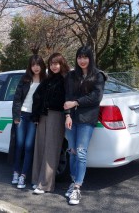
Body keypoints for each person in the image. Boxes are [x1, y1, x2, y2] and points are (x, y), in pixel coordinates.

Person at [63, 45, 107, 205]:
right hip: (71, 119)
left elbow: (96, 97)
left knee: (81, 152)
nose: (82, 60)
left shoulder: (98, 76)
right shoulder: (71, 76)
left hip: (87, 119)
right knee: (72, 151)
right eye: (79, 57)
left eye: (85, 57)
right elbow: (67, 96)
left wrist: (76, 102)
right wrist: (67, 115)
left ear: (90, 58)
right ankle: (73, 180)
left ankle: (77, 187)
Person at [31, 53, 70, 195]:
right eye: (52, 63)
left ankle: (45, 184)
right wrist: (36, 114)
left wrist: (68, 116)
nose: (54, 66)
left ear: (62, 63)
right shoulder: (48, 79)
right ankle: (36, 179)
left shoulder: (66, 79)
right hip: (43, 115)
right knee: (39, 147)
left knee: (50, 150)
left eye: (56, 63)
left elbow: (69, 98)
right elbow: (37, 95)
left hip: (57, 116)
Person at [9, 54, 47, 189]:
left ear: (42, 65)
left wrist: (37, 117)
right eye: (33, 65)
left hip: (33, 118)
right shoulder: (25, 79)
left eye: (38, 64)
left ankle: (23, 175)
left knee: (29, 146)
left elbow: (44, 102)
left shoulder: (45, 80)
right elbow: (17, 99)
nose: (36, 67)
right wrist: (16, 117)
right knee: (19, 144)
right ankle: (16, 172)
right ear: (30, 66)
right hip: (22, 115)